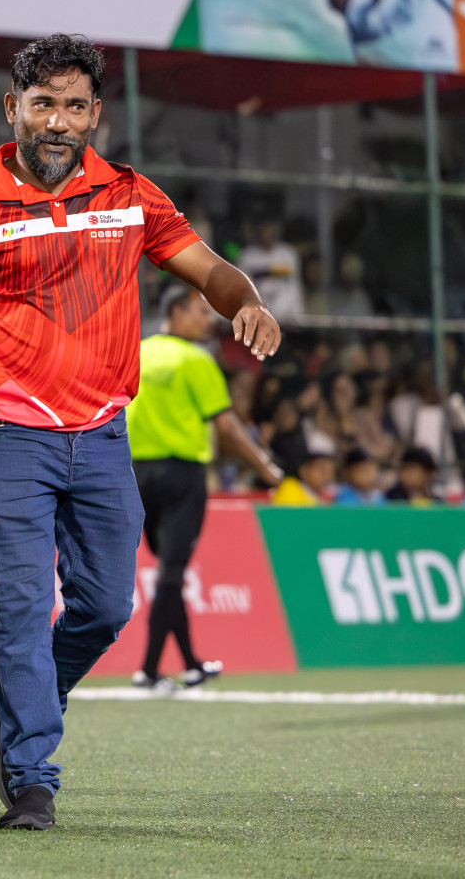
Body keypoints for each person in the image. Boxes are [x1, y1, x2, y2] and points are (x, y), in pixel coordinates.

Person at [0, 34, 281, 831]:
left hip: (105, 432)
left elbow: (209, 268)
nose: (59, 121)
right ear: (13, 109)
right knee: (22, 603)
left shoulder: (132, 197)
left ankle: (12, 704)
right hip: (9, 431)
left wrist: (243, 299)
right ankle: (32, 775)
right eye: (44, 104)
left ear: (95, 115)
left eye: (75, 106)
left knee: (107, 607)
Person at [126, 285, 284, 691]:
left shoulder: (136, 352)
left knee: (169, 575)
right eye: (199, 311)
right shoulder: (197, 359)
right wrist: (265, 467)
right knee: (172, 574)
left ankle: (193, 664)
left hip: (136, 475)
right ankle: (147, 670)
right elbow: (227, 425)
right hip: (182, 478)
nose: (207, 320)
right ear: (175, 311)